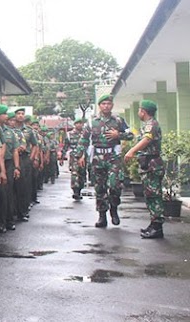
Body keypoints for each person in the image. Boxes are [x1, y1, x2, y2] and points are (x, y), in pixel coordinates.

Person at [76, 94, 133, 228]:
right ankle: (102, 216)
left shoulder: (118, 120)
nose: (106, 106)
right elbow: (83, 139)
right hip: (97, 157)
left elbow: (131, 134)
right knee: (99, 187)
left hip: (113, 156)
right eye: (103, 104)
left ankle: (114, 208)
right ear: (99, 106)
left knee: (114, 185)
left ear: (112, 105)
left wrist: (119, 135)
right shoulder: (91, 121)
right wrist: (80, 156)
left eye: (108, 103)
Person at [125, 100, 165, 239]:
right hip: (148, 164)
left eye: (139, 110)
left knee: (154, 195)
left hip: (152, 164)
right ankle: (153, 224)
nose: (138, 113)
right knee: (149, 195)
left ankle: (157, 226)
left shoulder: (151, 124)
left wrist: (132, 151)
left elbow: (147, 140)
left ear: (143, 111)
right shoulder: (148, 124)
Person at [0, 104, 20, 234]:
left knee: (7, 193)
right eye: (4, 114)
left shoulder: (10, 133)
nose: (7, 117)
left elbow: (14, 151)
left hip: (7, 164)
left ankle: (7, 221)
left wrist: (16, 167)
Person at [61, 118, 87, 200]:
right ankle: (75, 191)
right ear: (74, 124)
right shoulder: (69, 134)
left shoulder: (86, 134)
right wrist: (62, 157)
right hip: (74, 156)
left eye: (81, 123)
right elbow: (65, 146)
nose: (79, 125)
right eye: (77, 123)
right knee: (74, 173)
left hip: (84, 156)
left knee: (82, 174)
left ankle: (79, 190)